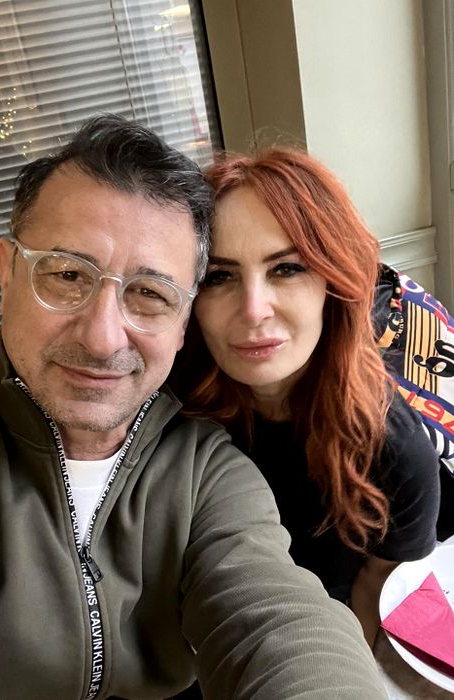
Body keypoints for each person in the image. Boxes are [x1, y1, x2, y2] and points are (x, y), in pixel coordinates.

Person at [0, 115, 389, 700]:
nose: (102, 338)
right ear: (7, 269)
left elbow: (277, 622)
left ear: (183, 323)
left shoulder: (204, 470)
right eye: (66, 275)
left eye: (150, 293)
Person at [170, 148, 441, 649]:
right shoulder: (167, 411)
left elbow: (371, 603)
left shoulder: (395, 453)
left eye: (287, 269)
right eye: (219, 276)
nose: (254, 310)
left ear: (332, 283)